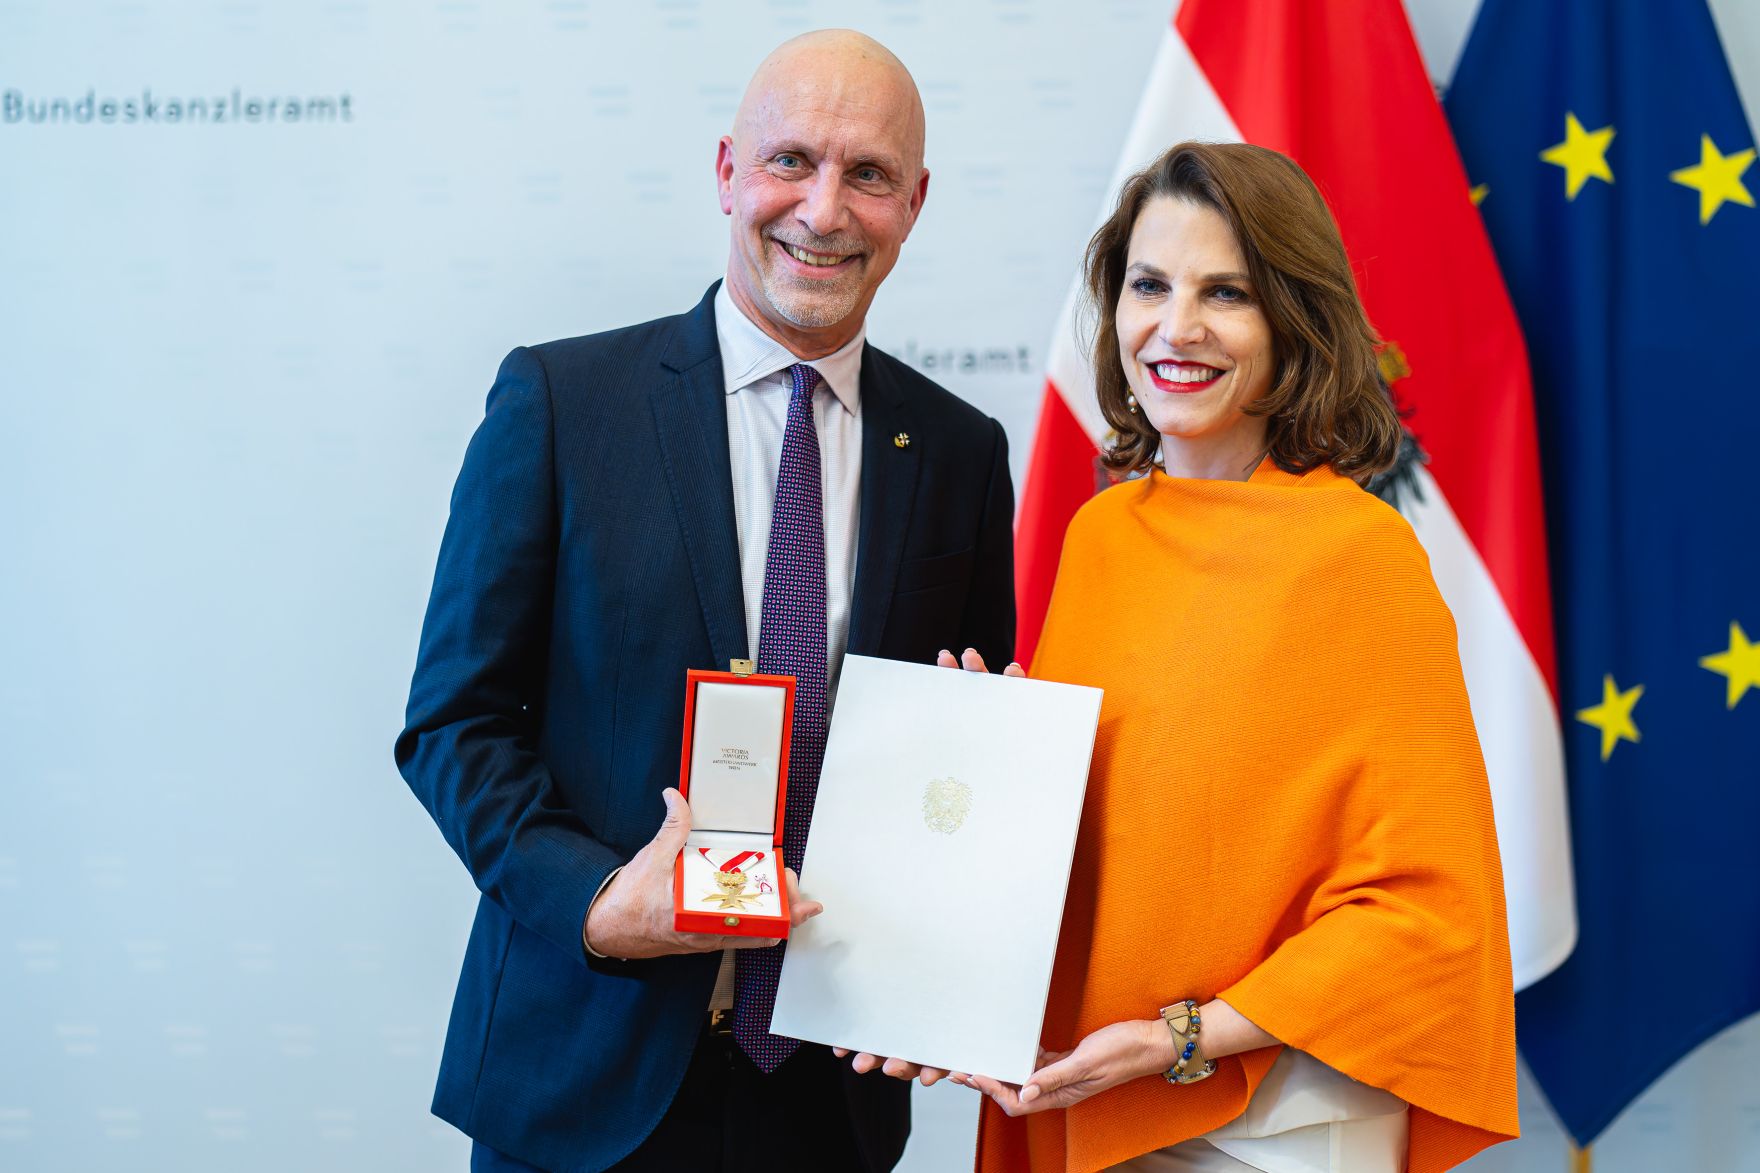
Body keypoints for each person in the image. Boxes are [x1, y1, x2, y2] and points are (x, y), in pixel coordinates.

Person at [395, 29, 1015, 1173]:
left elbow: (958, 764)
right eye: (790, 162)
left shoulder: (961, 453)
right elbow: (452, 726)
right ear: (726, 170)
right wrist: (594, 904)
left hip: (829, 1098)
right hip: (584, 1081)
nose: (823, 211)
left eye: (867, 175)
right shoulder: (561, 403)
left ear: (913, 203)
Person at [848, 142, 1518, 1172]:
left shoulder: (1360, 555)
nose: (1175, 327)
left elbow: (1419, 910)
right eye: (1148, 285)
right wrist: (980, 791)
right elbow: (1123, 837)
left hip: (1280, 1122)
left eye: (1226, 294)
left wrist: (1184, 1037)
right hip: (1088, 1092)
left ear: (1291, 321)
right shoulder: (1101, 536)